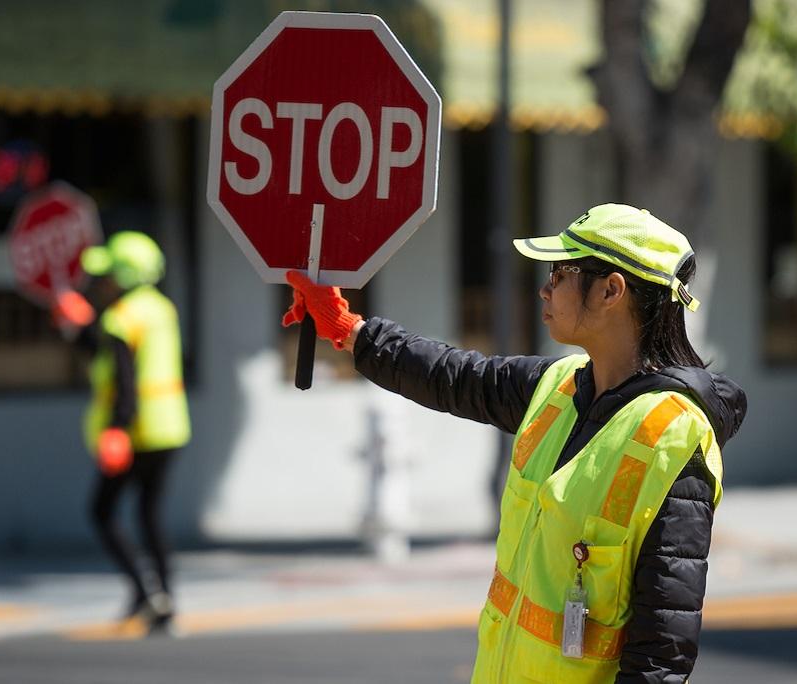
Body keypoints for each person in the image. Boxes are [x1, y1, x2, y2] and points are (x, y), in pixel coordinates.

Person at [283, 204, 747, 683]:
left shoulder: (675, 439)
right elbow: (455, 375)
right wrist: (346, 329)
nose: (545, 288)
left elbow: (662, 650)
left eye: (561, 273)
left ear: (612, 290)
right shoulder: (559, 384)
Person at [54, 231, 191, 634]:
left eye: (108, 274)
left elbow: (123, 380)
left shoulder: (119, 318)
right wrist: (80, 328)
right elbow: (113, 356)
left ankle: (143, 591)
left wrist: (116, 429)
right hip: (169, 428)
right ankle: (162, 600)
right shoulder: (162, 309)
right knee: (150, 515)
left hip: (133, 432)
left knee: (102, 512)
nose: (102, 282)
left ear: (125, 276)